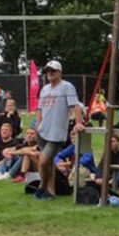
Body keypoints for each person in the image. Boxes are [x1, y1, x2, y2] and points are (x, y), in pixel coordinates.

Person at [34, 59, 84, 200]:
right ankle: (50, 192)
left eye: (52, 70)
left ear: (59, 72)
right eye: (48, 71)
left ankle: (42, 186)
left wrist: (78, 123)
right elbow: (40, 108)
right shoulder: (44, 89)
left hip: (56, 133)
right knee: (48, 163)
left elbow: (75, 105)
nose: (50, 73)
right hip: (43, 131)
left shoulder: (66, 87)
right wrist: (38, 125)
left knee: (43, 161)